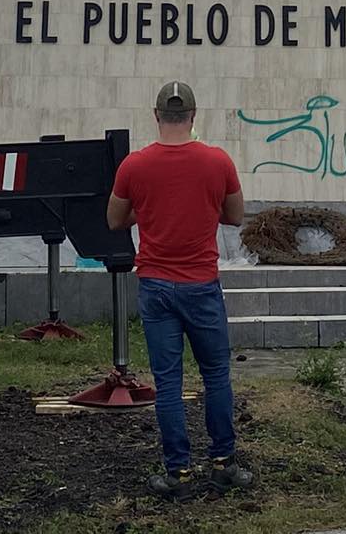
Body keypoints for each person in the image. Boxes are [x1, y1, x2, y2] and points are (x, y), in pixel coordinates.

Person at [107, 80, 253, 501]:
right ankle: (224, 464)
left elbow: (115, 220)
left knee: (168, 383)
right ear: (193, 117)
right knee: (216, 376)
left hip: (156, 286)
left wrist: (150, 207)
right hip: (202, 286)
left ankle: (179, 473)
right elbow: (236, 215)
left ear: (156, 116)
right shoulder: (217, 161)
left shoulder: (134, 166)